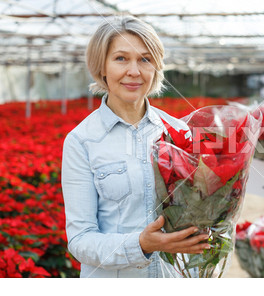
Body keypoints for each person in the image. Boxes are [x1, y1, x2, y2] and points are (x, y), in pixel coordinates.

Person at [61, 15, 209, 278]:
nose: (134, 71)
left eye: (145, 59)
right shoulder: (82, 141)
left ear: (156, 67)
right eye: (121, 58)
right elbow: (80, 240)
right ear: (102, 67)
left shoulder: (179, 131)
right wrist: (140, 245)